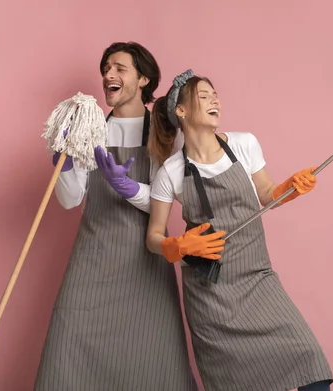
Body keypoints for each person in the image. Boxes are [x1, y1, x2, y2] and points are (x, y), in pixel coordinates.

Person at [146, 69, 333, 391]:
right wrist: (176, 246)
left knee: (307, 358)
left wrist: (289, 187)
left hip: (257, 278)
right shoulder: (172, 171)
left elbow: (266, 194)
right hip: (210, 295)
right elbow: (153, 236)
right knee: (234, 382)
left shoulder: (244, 144)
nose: (214, 99)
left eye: (215, 94)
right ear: (181, 110)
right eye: (203, 96)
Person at [33, 43, 194, 390]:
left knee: (153, 361)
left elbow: (173, 202)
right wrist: (66, 162)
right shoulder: (91, 133)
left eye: (120, 68)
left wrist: (126, 186)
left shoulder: (166, 132)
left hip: (147, 266)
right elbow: (70, 199)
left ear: (143, 79)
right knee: (68, 356)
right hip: (93, 260)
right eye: (106, 68)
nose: (109, 75)